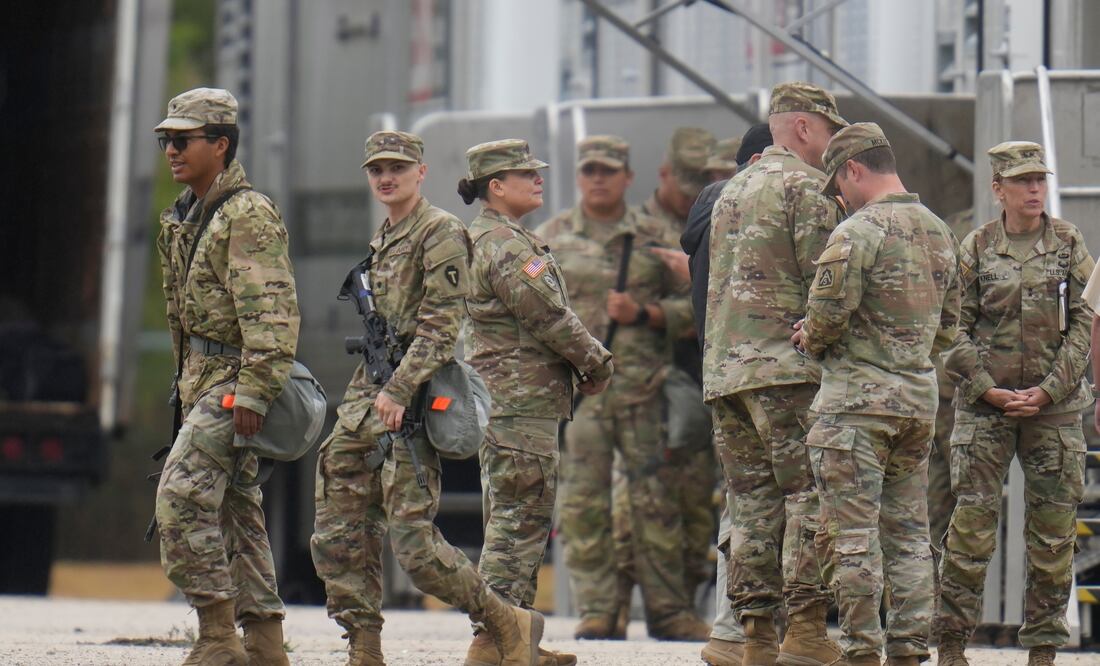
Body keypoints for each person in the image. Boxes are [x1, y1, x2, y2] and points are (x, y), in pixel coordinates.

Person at [310, 131, 547, 666]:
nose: (386, 177)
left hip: (411, 398)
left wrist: (399, 389)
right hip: (367, 392)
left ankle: (504, 619)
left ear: (421, 172)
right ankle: (363, 646)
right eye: (376, 170)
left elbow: (443, 327)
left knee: (414, 547)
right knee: (338, 523)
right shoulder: (385, 235)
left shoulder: (439, 231)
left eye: (397, 167)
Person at [793, 122, 960, 666]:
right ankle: (910, 651)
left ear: (852, 170)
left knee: (853, 535)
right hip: (916, 402)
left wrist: (808, 337)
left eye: (837, 185)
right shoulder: (939, 230)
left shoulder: (857, 232)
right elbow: (949, 326)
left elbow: (825, 318)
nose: (839, 197)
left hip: (856, 409)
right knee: (910, 532)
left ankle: (864, 650)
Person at [536, 135, 709, 642]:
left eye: (608, 171)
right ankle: (599, 609)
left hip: (643, 393)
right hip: (582, 398)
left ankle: (669, 611)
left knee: (656, 503)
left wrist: (648, 315)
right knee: (583, 503)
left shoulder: (656, 237)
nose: (598, 179)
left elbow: (704, 305)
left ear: (628, 178)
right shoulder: (552, 239)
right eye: (589, 170)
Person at [934, 141, 1095, 666]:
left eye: (1039, 180)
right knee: (970, 530)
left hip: (1054, 410)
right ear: (997, 189)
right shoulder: (976, 247)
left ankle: (1044, 650)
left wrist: (1050, 388)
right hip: (986, 409)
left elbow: (1086, 324)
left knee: (1051, 537)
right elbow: (951, 326)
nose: (1034, 190)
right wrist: (984, 386)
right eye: (1022, 181)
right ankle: (953, 645)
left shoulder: (1069, 243)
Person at [153, 87, 298, 666]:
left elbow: (273, 312)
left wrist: (256, 390)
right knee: (238, 507)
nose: (171, 150)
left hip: (233, 378)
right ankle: (263, 643)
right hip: (200, 379)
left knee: (181, 498)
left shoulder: (246, 213)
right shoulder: (187, 215)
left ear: (220, 143)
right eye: (167, 140)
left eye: (183, 140)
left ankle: (218, 638)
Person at [704, 82, 846, 665]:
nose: (833, 146)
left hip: (728, 372)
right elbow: (827, 285)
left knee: (752, 504)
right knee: (807, 497)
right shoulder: (810, 188)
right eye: (830, 131)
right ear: (806, 128)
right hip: (787, 372)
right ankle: (808, 631)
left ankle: (755, 634)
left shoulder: (732, 190)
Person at [459, 138, 615, 666]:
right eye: (525, 175)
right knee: (518, 520)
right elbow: (548, 316)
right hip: (519, 403)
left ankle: (514, 638)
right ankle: (491, 641)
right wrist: (595, 361)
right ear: (496, 187)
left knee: (513, 516)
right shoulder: (506, 245)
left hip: (505, 402)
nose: (538, 180)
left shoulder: (485, 238)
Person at [671, 123, 773, 666]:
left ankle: (733, 628)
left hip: (722, 367)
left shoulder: (709, 209)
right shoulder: (757, 207)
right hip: (768, 371)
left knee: (741, 500)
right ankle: (747, 628)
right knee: (767, 502)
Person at [619, 126, 717, 619]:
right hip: (657, 387)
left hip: (711, 384)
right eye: (687, 182)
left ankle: (687, 604)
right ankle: (656, 611)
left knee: (701, 508)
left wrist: (681, 295)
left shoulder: (725, 220)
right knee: (649, 500)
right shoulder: (639, 232)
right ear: (663, 175)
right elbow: (629, 306)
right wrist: (663, 313)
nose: (694, 193)